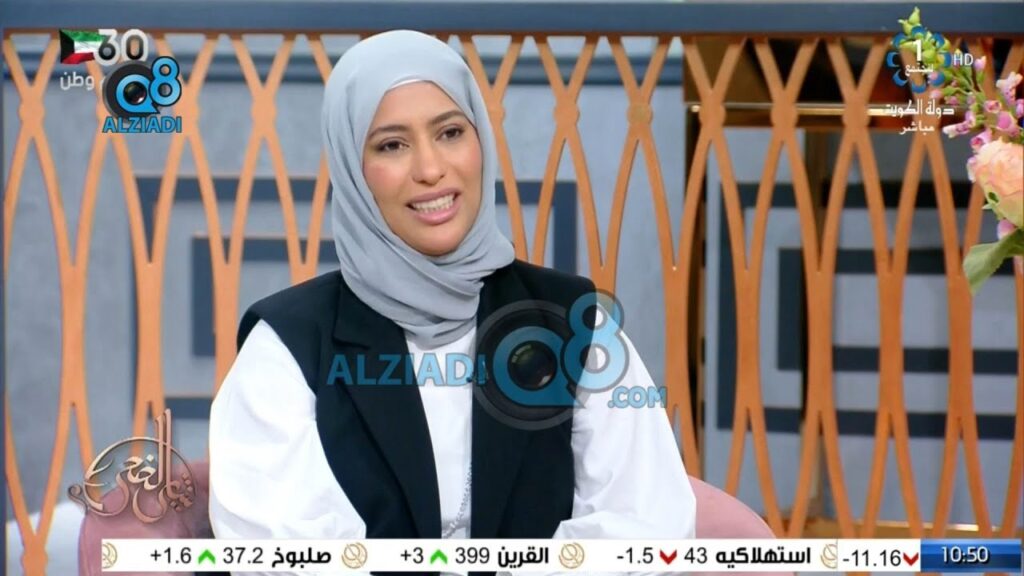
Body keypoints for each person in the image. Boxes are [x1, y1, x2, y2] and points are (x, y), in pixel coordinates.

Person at [208, 29, 695, 575]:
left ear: (481, 140)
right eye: (392, 145)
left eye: (450, 132)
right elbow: (277, 553)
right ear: (351, 167)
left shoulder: (574, 322)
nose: (430, 168)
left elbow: (646, 525)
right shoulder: (289, 343)